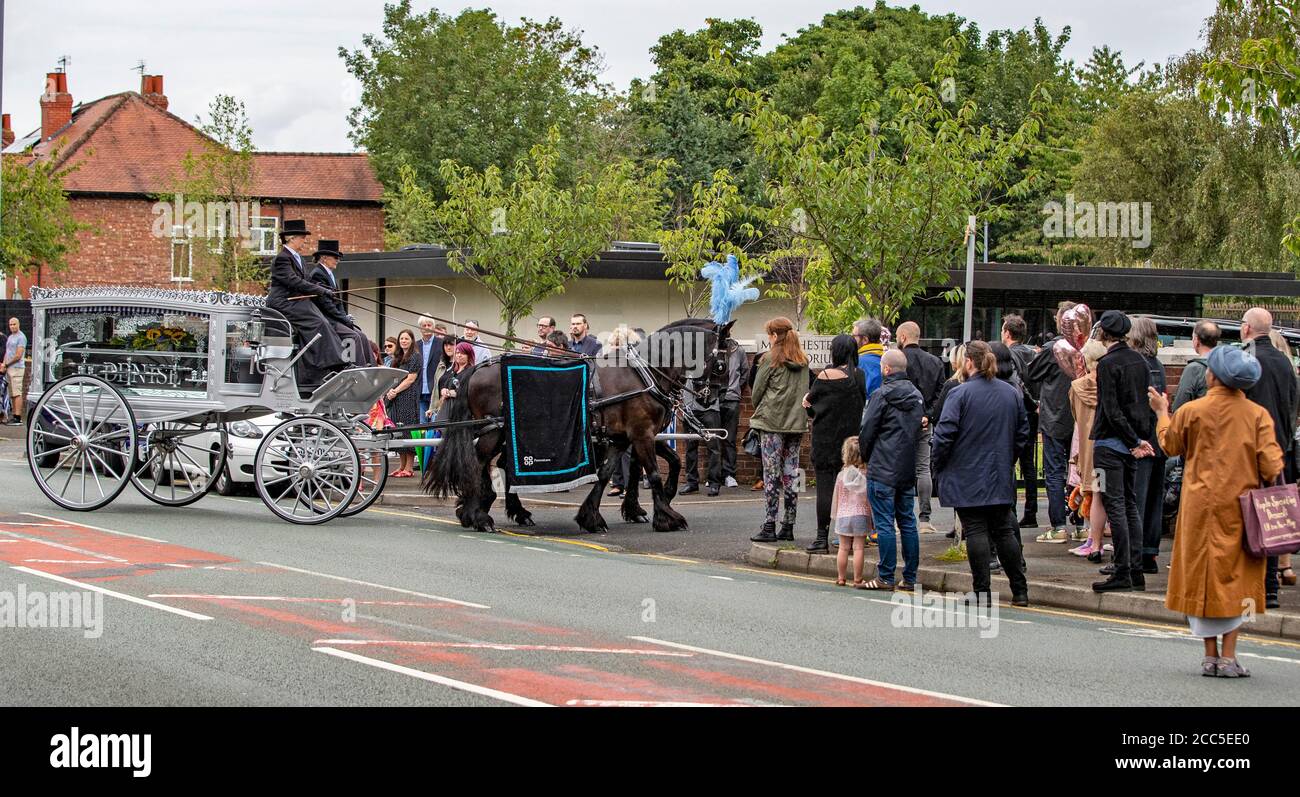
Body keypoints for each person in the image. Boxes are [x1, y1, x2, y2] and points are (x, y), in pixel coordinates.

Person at [1151, 345, 1283, 677]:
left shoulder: (1193, 411)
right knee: (1239, 580)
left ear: (1213, 375)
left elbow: (1169, 445)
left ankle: (1209, 656)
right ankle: (1229, 655)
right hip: (1242, 508)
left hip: (1199, 507)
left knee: (1202, 577)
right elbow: (1271, 466)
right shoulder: (1257, 416)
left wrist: (1161, 412)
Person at [932, 340, 1030, 606]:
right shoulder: (1010, 393)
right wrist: (1009, 458)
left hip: (967, 473)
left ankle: (982, 592)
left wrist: (938, 464)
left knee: (975, 530)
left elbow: (944, 435)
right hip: (999, 471)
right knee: (1004, 530)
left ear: (968, 362)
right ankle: (1020, 591)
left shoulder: (960, 394)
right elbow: (1023, 433)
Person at [1091, 310, 1157, 593]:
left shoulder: (1107, 364)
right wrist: (1139, 439)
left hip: (1109, 445)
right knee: (1130, 505)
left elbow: (1111, 409)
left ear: (1104, 334)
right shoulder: (1140, 361)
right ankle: (1135, 569)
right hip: (1133, 445)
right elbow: (1142, 405)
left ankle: (1121, 571)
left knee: (1113, 503)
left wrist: (1131, 440)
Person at [1240, 307, 1299, 610]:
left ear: (1247, 328)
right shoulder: (1285, 363)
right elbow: (1292, 407)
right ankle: (1271, 587)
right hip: (1279, 450)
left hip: (1249, 451)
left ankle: (1251, 587)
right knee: (1271, 516)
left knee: (1246, 520)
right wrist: (1284, 445)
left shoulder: (1245, 359)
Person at [857, 349, 923, 590]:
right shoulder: (917, 396)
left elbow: (867, 431)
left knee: (884, 523)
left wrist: (866, 457)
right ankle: (911, 577)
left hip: (882, 465)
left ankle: (885, 576)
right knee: (907, 521)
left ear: (886, 369)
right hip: (906, 466)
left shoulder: (880, 395)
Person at [1025, 301, 1091, 544]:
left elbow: (1031, 374)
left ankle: (1058, 525)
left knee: (1054, 472)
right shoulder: (1089, 348)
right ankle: (1082, 523)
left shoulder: (1055, 349)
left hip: (1055, 416)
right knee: (1083, 471)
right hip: (1082, 420)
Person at [265, 219, 349, 386]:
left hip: (297, 301)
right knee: (317, 322)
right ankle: (324, 365)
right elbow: (294, 282)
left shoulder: (299, 259)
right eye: (302, 237)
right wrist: (320, 290)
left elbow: (307, 280)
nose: (304, 241)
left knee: (324, 321)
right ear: (291, 238)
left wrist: (324, 289)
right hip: (283, 302)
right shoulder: (282, 259)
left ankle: (337, 361)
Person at [804, 334, 867, 553]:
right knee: (851, 490)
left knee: (825, 488)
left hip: (825, 440)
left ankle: (822, 537)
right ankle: (849, 539)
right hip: (850, 442)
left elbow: (811, 406)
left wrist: (807, 405)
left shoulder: (825, 376)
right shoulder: (859, 376)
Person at [748, 317, 810, 543]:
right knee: (792, 474)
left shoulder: (769, 359)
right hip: (796, 424)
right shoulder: (803, 361)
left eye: (769, 335)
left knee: (771, 475)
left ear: (774, 336)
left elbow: (757, 392)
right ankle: (789, 524)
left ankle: (769, 524)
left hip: (772, 423)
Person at [896, 321, 945, 533]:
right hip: (925, 423)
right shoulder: (935, 362)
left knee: (898, 468)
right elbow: (941, 395)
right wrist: (928, 415)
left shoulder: (899, 360)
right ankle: (925, 518)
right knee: (923, 468)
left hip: (899, 422)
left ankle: (899, 519)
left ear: (903, 337)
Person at [1128, 316, 1167, 576]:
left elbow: (1136, 407)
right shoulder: (1159, 366)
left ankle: (1136, 554)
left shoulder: (1138, 366)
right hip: (1160, 441)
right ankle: (1150, 553)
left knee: (1136, 501)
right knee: (1155, 500)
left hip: (1143, 442)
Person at [1067, 340, 1109, 562]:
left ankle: (1093, 541)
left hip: (1085, 445)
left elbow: (1075, 414)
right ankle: (1097, 540)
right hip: (1106, 444)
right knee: (1103, 494)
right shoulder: (1109, 386)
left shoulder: (1076, 387)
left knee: (1091, 492)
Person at [308, 239, 374, 366]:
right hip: (327, 319)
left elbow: (338, 303)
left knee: (362, 336)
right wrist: (343, 319)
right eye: (335, 257)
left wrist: (345, 318)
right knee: (353, 336)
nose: (337, 260)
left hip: (336, 318)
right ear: (324, 258)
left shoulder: (330, 275)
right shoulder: (317, 274)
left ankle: (371, 367)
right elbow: (327, 305)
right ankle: (358, 368)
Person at [1002, 314, 1039, 528]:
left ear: (1007, 333)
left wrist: (1030, 403)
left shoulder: (1008, 355)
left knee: (1010, 463)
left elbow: (1015, 383)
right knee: (1029, 463)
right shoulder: (1033, 354)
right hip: (1032, 413)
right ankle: (1031, 511)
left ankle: (1012, 509)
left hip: (1019, 411)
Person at [933, 343, 966, 540]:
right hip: (969, 441)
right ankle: (962, 525)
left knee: (956, 485)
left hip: (954, 443)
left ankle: (959, 525)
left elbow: (939, 413)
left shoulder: (951, 385)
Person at [830, 437, 872, 587]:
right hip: (861, 514)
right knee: (858, 548)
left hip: (843, 514)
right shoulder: (866, 474)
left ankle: (841, 578)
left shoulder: (842, 475)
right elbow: (869, 498)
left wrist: (835, 514)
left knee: (843, 547)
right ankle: (857, 579)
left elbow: (837, 496)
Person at [383, 330, 420, 477]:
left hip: (408, 397)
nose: (404, 341)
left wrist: (395, 391)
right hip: (396, 398)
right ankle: (401, 466)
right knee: (398, 431)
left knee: (407, 431)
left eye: (407, 338)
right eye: (402, 338)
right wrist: (390, 392)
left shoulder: (415, 357)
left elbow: (410, 379)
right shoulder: (397, 357)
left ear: (412, 340)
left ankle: (409, 468)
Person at [682, 366, 723, 497]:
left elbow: (723, 380)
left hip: (710, 407)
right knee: (690, 447)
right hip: (689, 408)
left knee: (714, 447)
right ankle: (692, 482)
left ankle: (714, 483)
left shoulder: (712, 358)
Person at [1171, 320, 1221, 412]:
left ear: (1197, 340)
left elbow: (1179, 407)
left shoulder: (1194, 369)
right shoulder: (1227, 366)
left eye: (1193, 338)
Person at [720, 339, 749, 488]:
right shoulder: (709, 347)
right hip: (712, 399)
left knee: (730, 439)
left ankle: (729, 474)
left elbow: (745, 373)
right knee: (713, 439)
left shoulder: (739, 350)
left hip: (731, 399)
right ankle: (715, 476)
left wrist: (736, 389)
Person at [413, 316, 442, 422]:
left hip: (435, 390)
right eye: (424, 325)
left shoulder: (441, 343)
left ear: (433, 328)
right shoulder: (416, 345)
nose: (427, 327)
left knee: (435, 422)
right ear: (420, 329)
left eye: (429, 325)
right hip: (420, 389)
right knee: (422, 423)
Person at [853, 318, 886, 399]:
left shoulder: (859, 362)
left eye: (853, 336)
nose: (851, 339)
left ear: (865, 339)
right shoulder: (887, 358)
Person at [4, 317, 27, 424]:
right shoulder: (10, 337)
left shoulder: (21, 337)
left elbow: (18, 355)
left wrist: (7, 363)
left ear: (18, 324)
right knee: (12, 392)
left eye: (14, 324)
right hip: (9, 368)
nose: (12, 326)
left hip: (17, 368)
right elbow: (7, 352)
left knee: (17, 393)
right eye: (10, 324)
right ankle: (14, 415)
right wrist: (4, 364)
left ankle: (18, 417)